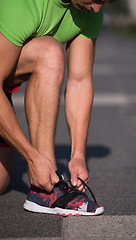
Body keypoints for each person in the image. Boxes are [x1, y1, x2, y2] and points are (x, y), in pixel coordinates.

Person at [0, 0, 115, 216]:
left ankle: (44, 190)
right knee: (50, 53)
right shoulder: (23, 3)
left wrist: (78, 154)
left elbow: (79, 82)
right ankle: (48, 187)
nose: (98, 8)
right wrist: (30, 157)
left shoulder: (90, 9)